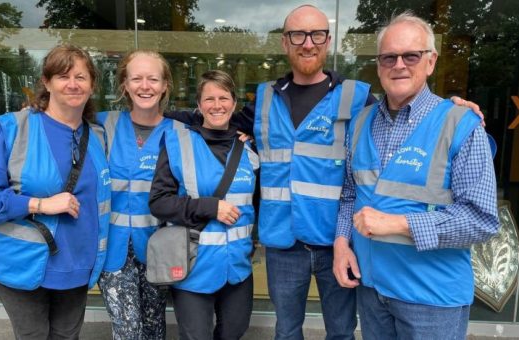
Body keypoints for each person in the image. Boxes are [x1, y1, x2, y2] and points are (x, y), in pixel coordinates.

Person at [166, 5, 485, 339]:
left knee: (341, 331)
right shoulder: (264, 99)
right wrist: (154, 116)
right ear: (284, 43)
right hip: (282, 243)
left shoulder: (358, 98)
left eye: (317, 34)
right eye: (297, 35)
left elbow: (406, 116)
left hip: (337, 241)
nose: (308, 43)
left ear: (328, 41)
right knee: (286, 330)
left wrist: (448, 106)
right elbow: (216, 120)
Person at [333, 12, 499, 340]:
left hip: (431, 299)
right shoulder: (361, 122)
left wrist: (398, 224)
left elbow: (481, 220)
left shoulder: (461, 124)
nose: (399, 65)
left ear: (431, 62)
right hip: (372, 289)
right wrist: (341, 243)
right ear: (379, 64)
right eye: (388, 57)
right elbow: (351, 192)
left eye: (411, 55)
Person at [0, 44, 111, 339]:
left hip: (78, 264)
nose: (72, 84)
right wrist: (38, 204)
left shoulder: (98, 134)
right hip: (22, 265)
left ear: (92, 85)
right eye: (63, 76)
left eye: (81, 77)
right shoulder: (14, 129)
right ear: (47, 83)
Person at [149, 70, 259, 340]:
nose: (217, 105)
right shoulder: (179, 144)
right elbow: (159, 203)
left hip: (238, 268)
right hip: (194, 266)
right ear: (199, 105)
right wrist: (210, 207)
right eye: (209, 99)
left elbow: (257, 204)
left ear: (234, 104)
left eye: (224, 98)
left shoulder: (250, 151)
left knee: (234, 332)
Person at [97, 50, 180, 340]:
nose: (145, 86)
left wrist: (241, 134)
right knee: (129, 331)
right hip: (113, 248)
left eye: (153, 79)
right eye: (137, 78)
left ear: (165, 85)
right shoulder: (102, 125)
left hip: (158, 246)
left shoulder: (180, 132)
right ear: (125, 85)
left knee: (155, 326)